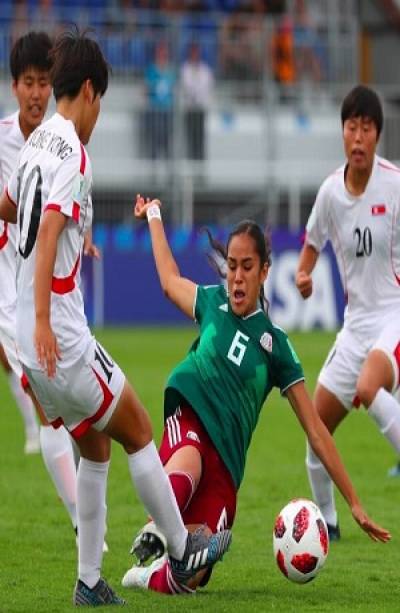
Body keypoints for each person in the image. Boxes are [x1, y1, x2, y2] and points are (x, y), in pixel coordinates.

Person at [0, 27, 231, 606]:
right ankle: (183, 549)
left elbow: (13, 207)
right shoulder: (74, 154)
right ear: (88, 91)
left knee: (95, 448)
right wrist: (47, 319)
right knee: (138, 430)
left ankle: (87, 583)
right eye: (100, 102)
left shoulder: (33, 143)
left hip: (32, 351)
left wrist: (78, 240)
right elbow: (47, 229)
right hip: (62, 341)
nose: (99, 115)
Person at [121, 197, 390, 596]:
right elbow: (168, 279)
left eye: (247, 267)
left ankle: (149, 571)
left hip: (227, 465)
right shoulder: (211, 303)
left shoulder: (276, 347)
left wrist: (353, 502)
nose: (237, 277)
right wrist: (155, 216)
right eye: (231, 266)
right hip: (189, 416)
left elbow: (316, 429)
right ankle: (156, 529)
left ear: (265, 271)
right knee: (189, 461)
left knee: (192, 577)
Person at [295, 84, 400, 540]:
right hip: (355, 328)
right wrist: (303, 275)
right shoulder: (330, 194)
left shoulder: (394, 184)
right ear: (343, 133)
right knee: (314, 434)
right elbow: (311, 244)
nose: (358, 137)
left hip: (393, 315)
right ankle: (329, 527)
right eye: (351, 127)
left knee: (369, 387)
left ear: (378, 135)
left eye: (367, 128)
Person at [0, 31, 83, 538]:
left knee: (75, 411)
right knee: (49, 406)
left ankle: (84, 513)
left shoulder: (59, 140)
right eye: (28, 83)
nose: (36, 92)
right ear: (14, 87)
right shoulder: (4, 140)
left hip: (58, 293)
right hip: (14, 297)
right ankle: (81, 522)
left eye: (43, 82)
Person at [180, 42, 214, 163]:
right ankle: (191, 169)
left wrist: (198, 96)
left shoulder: (206, 70)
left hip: (200, 109)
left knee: (200, 140)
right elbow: (187, 87)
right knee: (190, 139)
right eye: (193, 52)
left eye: (196, 52)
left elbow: (206, 88)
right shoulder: (185, 69)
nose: (195, 55)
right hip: (189, 109)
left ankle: (200, 170)